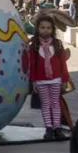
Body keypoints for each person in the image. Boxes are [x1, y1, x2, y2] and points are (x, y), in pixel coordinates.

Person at [27, 12, 72, 141]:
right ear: (37, 28)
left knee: (55, 104)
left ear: (53, 29)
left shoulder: (57, 44)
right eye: (42, 27)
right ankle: (48, 128)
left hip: (56, 80)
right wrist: (33, 80)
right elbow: (32, 65)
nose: (45, 30)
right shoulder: (34, 46)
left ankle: (57, 128)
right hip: (41, 81)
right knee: (46, 105)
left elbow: (62, 63)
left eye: (48, 28)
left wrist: (65, 79)